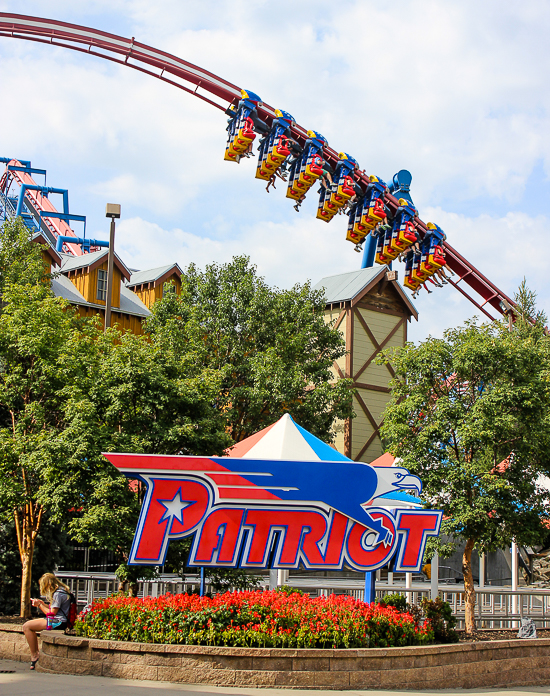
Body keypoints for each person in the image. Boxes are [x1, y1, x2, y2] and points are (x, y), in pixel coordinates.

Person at [23, 572, 72, 670]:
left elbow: (51, 614)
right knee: (28, 626)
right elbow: (55, 609)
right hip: (60, 620)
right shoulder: (63, 591)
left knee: (27, 626)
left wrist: (39, 605)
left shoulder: (58, 594)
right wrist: (42, 604)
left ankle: (35, 655)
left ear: (48, 584)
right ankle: (35, 654)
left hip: (58, 622)